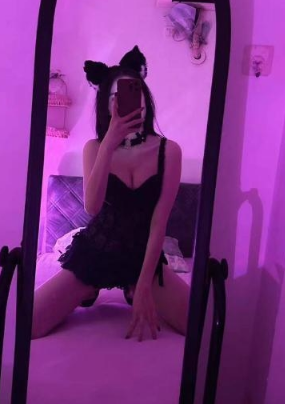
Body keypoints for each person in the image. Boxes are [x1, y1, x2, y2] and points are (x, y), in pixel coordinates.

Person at [32, 46, 190, 342]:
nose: (125, 101)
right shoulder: (94, 148)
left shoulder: (169, 151)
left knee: (197, 324)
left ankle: (131, 286)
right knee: (31, 323)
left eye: (134, 91)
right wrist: (108, 144)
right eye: (115, 96)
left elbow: (159, 222)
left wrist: (145, 285)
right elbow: (92, 207)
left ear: (144, 98)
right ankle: (92, 286)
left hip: (143, 255)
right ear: (106, 104)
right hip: (98, 249)